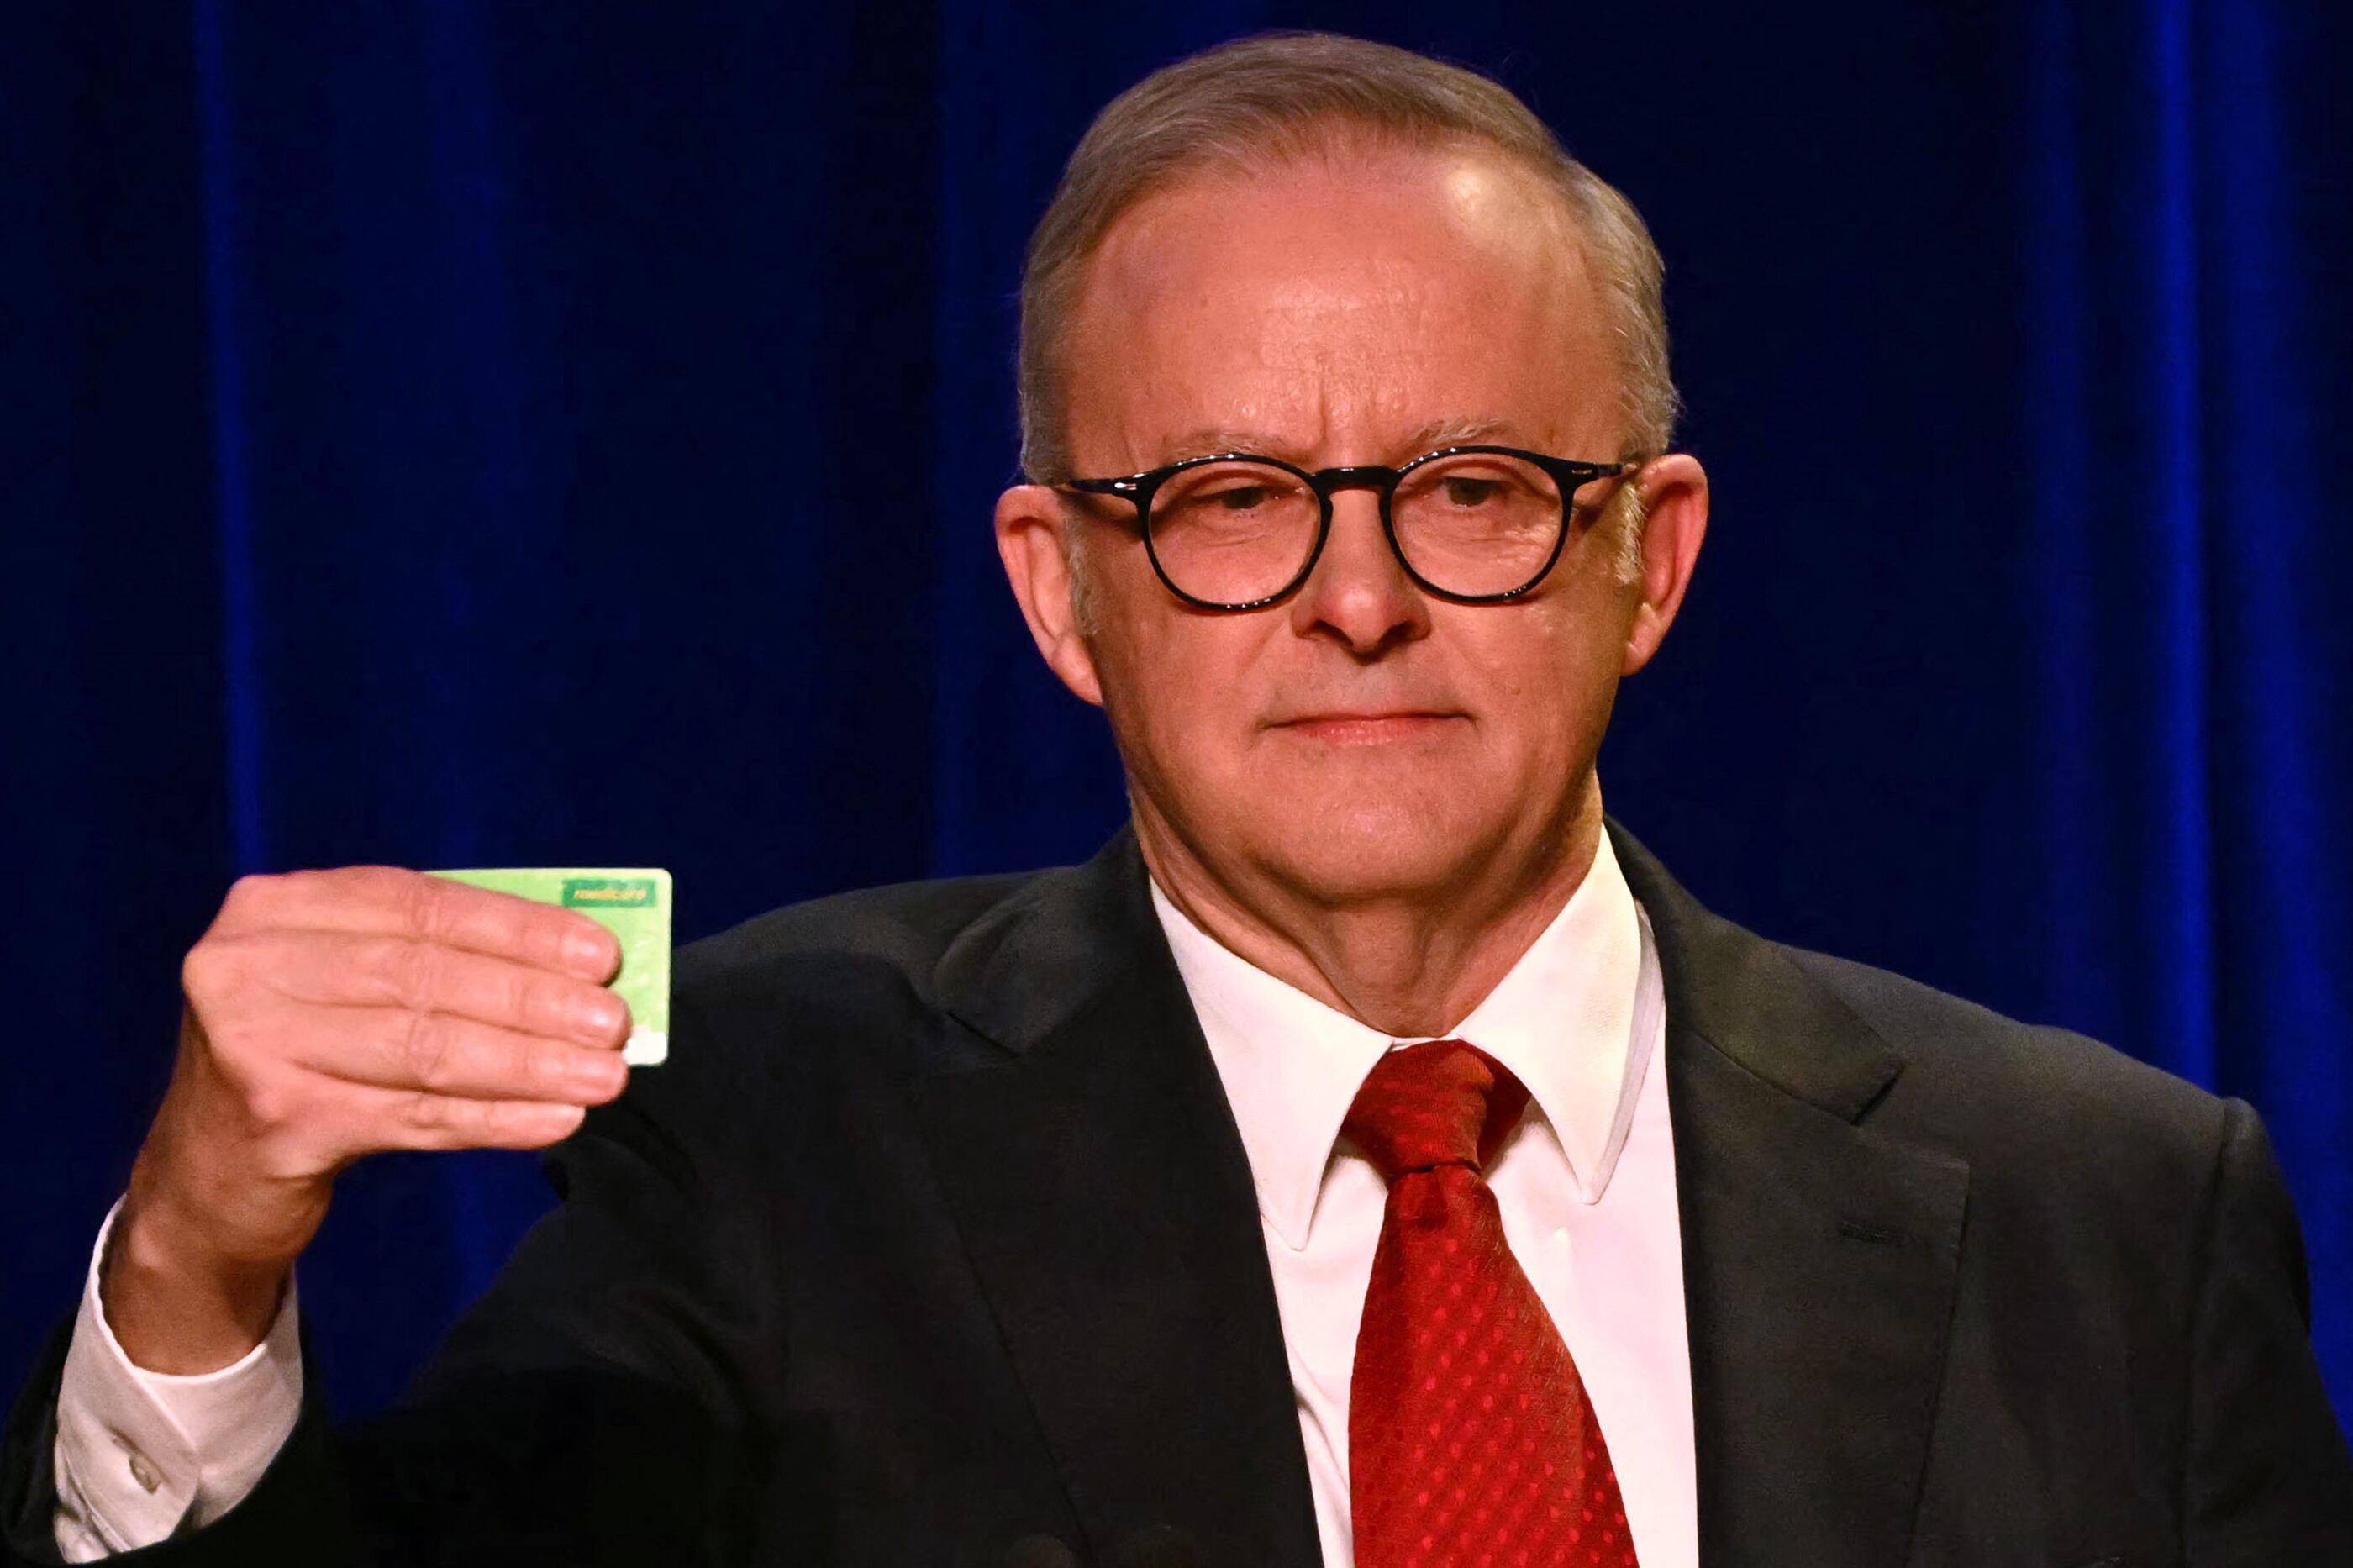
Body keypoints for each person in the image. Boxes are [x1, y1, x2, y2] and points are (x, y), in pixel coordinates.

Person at [5, 30, 2348, 1568]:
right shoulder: (778, 1137)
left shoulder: (2120, 1218)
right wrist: (201, 1267)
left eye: (1472, 484)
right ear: (1062, 590)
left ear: (1651, 553)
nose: (1354, 597)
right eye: (1230, 495)